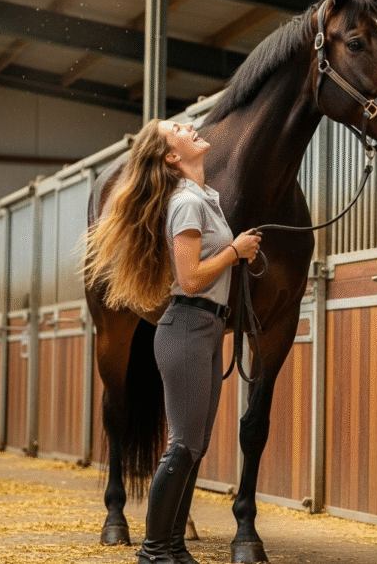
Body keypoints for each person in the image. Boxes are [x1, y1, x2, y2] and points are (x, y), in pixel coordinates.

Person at [85, 118, 261, 564]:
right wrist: (234, 252)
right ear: (171, 157)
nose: (190, 125)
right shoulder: (185, 203)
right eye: (178, 129)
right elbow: (190, 277)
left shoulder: (207, 199)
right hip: (185, 327)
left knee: (194, 446)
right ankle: (153, 551)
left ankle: (175, 548)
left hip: (206, 330)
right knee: (182, 444)